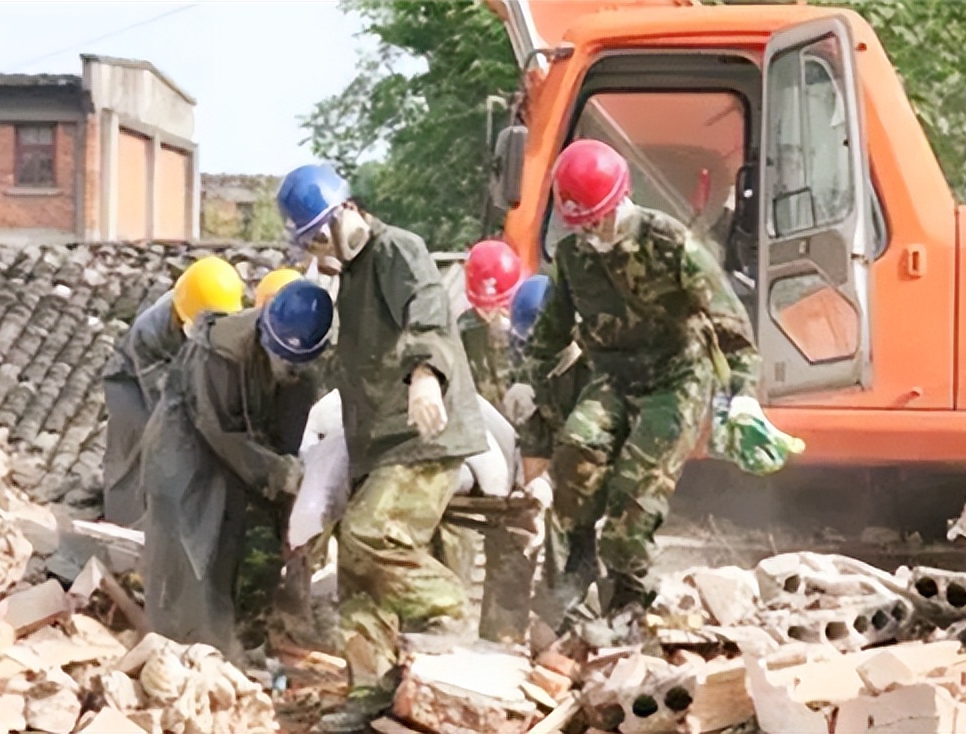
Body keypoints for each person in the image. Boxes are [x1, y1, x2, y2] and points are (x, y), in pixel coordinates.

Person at [518, 139, 767, 638]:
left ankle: (628, 599)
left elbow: (728, 320)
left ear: (619, 202)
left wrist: (742, 393)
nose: (590, 230)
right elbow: (549, 337)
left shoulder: (669, 242)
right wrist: (535, 395)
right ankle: (572, 578)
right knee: (577, 455)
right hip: (612, 373)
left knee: (635, 488)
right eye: (580, 222)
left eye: (597, 219)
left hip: (677, 375)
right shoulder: (572, 256)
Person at [277, 163, 488, 725]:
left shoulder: (398, 249)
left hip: (425, 439)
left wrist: (425, 374)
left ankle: (450, 609)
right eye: (310, 240)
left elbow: (428, 310)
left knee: (370, 535)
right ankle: (370, 691)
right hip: (381, 445)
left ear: (347, 211)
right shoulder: (349, 279)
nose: (321, 246)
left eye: (322, 232)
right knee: (358, 576)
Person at [137, 279, 334, 659]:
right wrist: (278, 471)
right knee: (191, 549)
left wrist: (293, 492)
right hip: (190, 450)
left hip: (253, 461)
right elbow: (219, 429)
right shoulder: (218, 353)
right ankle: (181, 651)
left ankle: (244, 643)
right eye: (281, 357)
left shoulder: (307, 369)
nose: (287, 368)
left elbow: (290, 435)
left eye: (296, 362)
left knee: (260, 547)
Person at [101, 256, 245, 526]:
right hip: (132, 380)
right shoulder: (150, 331)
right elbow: (163, 402)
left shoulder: (224, 305)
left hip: (189, 373)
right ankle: (126, 527)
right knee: (136, 446)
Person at [458, 239, 525, 412]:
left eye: (498, 306)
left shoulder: (530, 321)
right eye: (483, 306)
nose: (489, 313)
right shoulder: (463, 329)